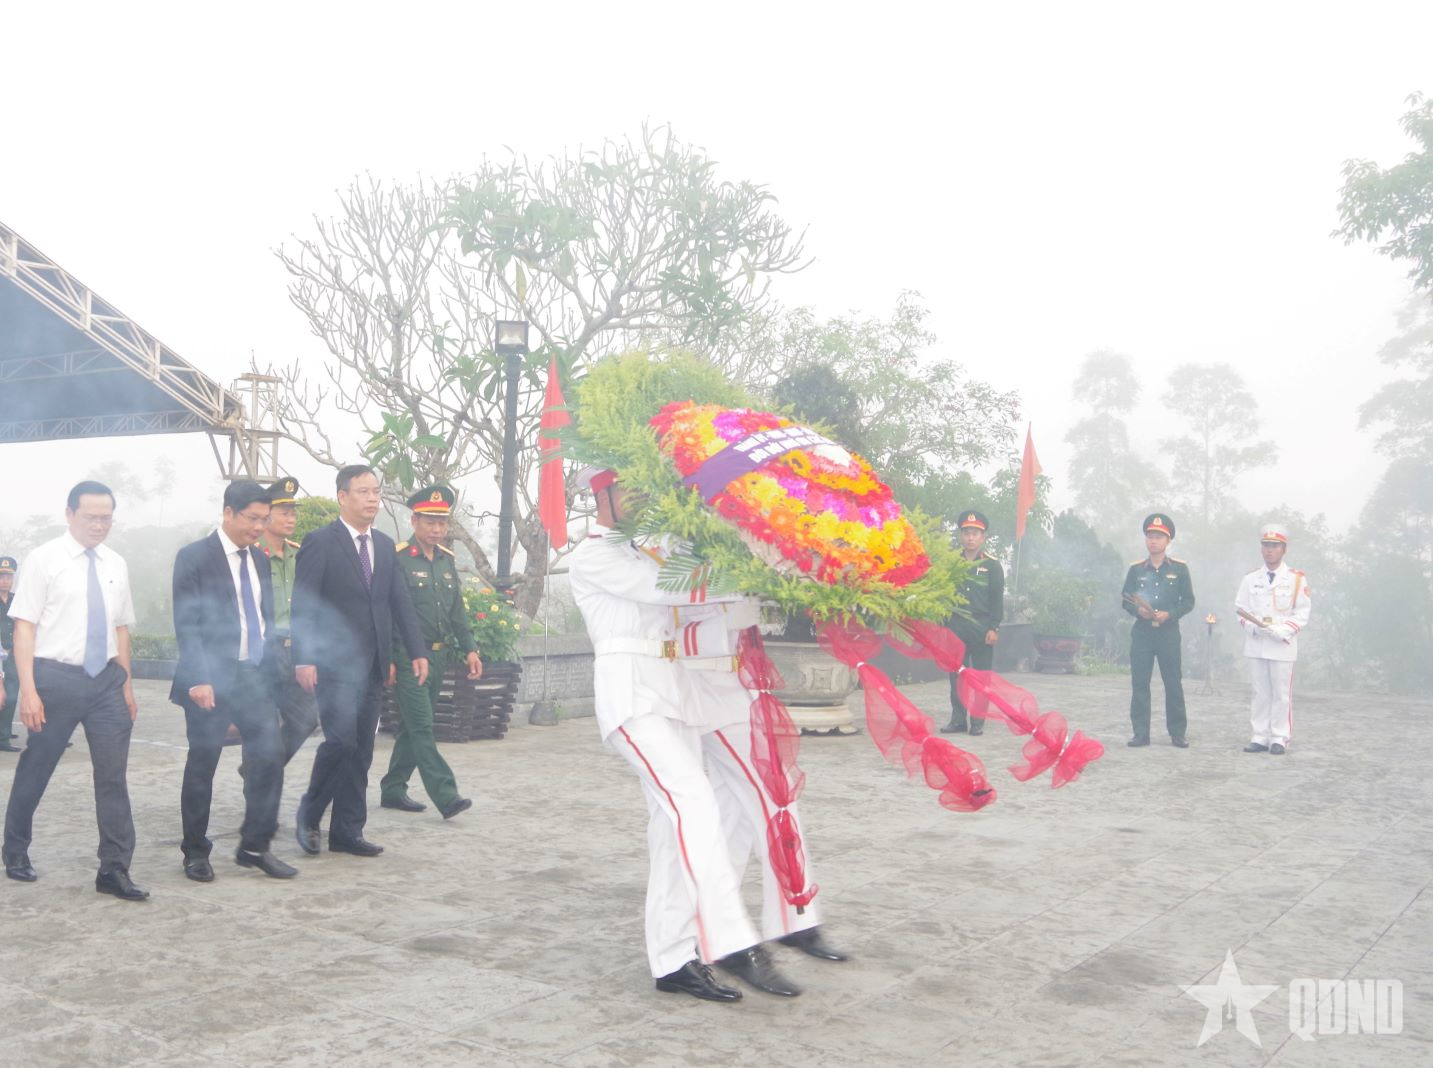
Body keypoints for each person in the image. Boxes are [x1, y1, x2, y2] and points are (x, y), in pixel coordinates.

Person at [568, 467, 802, 1003]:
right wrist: (751, 569)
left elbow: (707, 605)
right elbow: (670, 588)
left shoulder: (654, 546)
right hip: (631, 696)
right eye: (627, 486)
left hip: (673, 691)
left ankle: (674, 956)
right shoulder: (593, 553)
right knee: (693, 802)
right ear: (601, 495)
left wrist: (778, 563)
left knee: (671, 825)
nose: (640, 495)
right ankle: (730, 937)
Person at [675, 600, 847, 966]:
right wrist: (733, 613)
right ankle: (793, 916)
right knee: (776, 796)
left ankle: (705, 926)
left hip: (737, 684)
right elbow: (672, 626)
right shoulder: (672, 554)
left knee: (731, 820)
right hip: (705, 688)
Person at [1, 481, 147, 899]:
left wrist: (128, 685)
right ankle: (15, 849)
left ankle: (114, 870)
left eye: (106, 517)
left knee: (113, 776)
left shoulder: (116, 563)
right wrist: (28, 690)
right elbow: (24, 627)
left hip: (107, 682)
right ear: (69, 514)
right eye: (91, 517)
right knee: (38, 765)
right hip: (55, 679)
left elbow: (120, 628)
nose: (99, 525)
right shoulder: (43, 560)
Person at [291, 465, 427, 858]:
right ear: (342, 496)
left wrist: (416, 651)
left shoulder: (384, 546)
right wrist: (304, 657)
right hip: (332, 663)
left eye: (376, 491)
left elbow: (399, 601)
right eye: (363, 491)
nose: (372, 498)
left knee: (362, 748)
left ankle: (347, 831)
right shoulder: (320, 542)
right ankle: (309, 813)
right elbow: (304, 604)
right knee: (340, 742)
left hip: (372, 665)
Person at [171, 481, 296, 882]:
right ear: (228, 513)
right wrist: (198, 678)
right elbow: (186, 623)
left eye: (265, 518)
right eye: (253, 518)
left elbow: (264, 620)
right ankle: (195, 852)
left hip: (252, 676)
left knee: (270, 756)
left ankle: (255, 845)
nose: (260, 526)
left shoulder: (259, 560)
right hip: (209, 678)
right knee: (203, 764)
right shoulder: (194, 557)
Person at [379, 485, 480, 820]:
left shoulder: (447, 562)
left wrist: (470, 650)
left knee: (412, 727)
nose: (437, 529)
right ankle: (446, 795)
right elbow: (390, 614)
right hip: (409, 657)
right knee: (423, 727)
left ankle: (393, 788)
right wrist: (392, 658)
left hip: (438, 657)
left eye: (442, 523)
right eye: (430, 522)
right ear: (414, 520)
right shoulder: (397, 558)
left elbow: (456, 613)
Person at [1234, 524, 1311, 756]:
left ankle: (1279, 736)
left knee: (1280, 693)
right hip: (1257, 643)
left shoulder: (1296, 579)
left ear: (1283, 549)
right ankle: (1259, 735)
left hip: (1282, 645)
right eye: (1266, 546)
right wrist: (1255, 629)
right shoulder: (1250, 578)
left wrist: (1283, 630)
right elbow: (1240, 610)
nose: (1269, 550)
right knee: (1260, 692)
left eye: (1274, 546)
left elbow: (1302, 613)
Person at [257, 477, 318, 767]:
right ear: (266, 514)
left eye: (293, 512)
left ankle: (259, 770)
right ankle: (260, 790)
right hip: (267, 650)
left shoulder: (299, 555)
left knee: (306, 720)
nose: (291, 518)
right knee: (263, 726)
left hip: (296, 651)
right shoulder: (254, 555)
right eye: (284, 512)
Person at [1120, 513, 1195, 748]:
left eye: (1158, 537)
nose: (1153, 541)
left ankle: (1177, 732)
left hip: (1168, 632)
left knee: (1173, 682)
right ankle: (1141, 733)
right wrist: (1137, 611)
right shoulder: (1136, 570)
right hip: (1142, 633)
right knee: (1140, 683)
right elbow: (1126, 599)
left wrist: (1170, 614)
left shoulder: (1180, 569)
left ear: (1168, 541)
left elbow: (1189, 601)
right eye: (1150, 537)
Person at [940, 511, 1004, 735]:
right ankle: (958, 720)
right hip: (956, 625)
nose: (970, 538)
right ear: (961, 536)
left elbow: (997, 599)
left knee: (981, 676)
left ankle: (978, 721)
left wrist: (994, 627)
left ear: (983, 537)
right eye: (966, 533)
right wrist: (943, 623)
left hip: (982, 626)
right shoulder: (951, 563)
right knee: (956, 674)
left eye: (975, 533)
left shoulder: (992, 566)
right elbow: (943, 593)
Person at [0, 556, 18, 753]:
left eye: (8, 576)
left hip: (13, 655)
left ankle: (3, 736)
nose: (5, 580)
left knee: (11, 696)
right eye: (1, 576)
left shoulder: (16, 600)